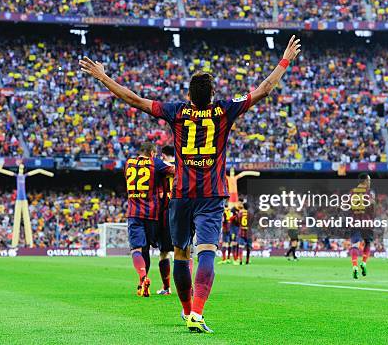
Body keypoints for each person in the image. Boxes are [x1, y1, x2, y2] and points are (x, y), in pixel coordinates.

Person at [80, 35, 302, 333]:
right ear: (212, 94)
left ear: (188, 95)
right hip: (212, 194)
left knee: (182, 254)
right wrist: (284, 60)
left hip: (182, 194)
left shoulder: (177, 112)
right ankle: (197, 313)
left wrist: (103, 76)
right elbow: (265, 89)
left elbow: (133, 98)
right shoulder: (225, 110)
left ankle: (187, 311)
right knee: (207, 250)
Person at [124, 142, 174, 297]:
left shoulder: (128, 163)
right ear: (152, 153)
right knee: (163, 251)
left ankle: (143, 278)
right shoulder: (155, 163)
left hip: (134, 213)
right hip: (152, 215)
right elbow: (173, 171)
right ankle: (162, 285)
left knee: (137, 249)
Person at [157, 146, 176, 295]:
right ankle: (188, 288)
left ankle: (166, 287)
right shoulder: (184, 167)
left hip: (166, 212)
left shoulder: (159, 169)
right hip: (184, 210)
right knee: (185, 251)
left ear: (163, 155)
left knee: (164, 252)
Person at [349, 173, 375, 279]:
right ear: (364, 181)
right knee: (367, 242)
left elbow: (349, 207)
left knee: (355, 244)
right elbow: (370, 207)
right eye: (368, 180)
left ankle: (355, 266)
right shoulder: (368, 193)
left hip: (355, 222)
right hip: (366, 222)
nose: (369, 182)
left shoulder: (352, 192)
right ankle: (364, 262)